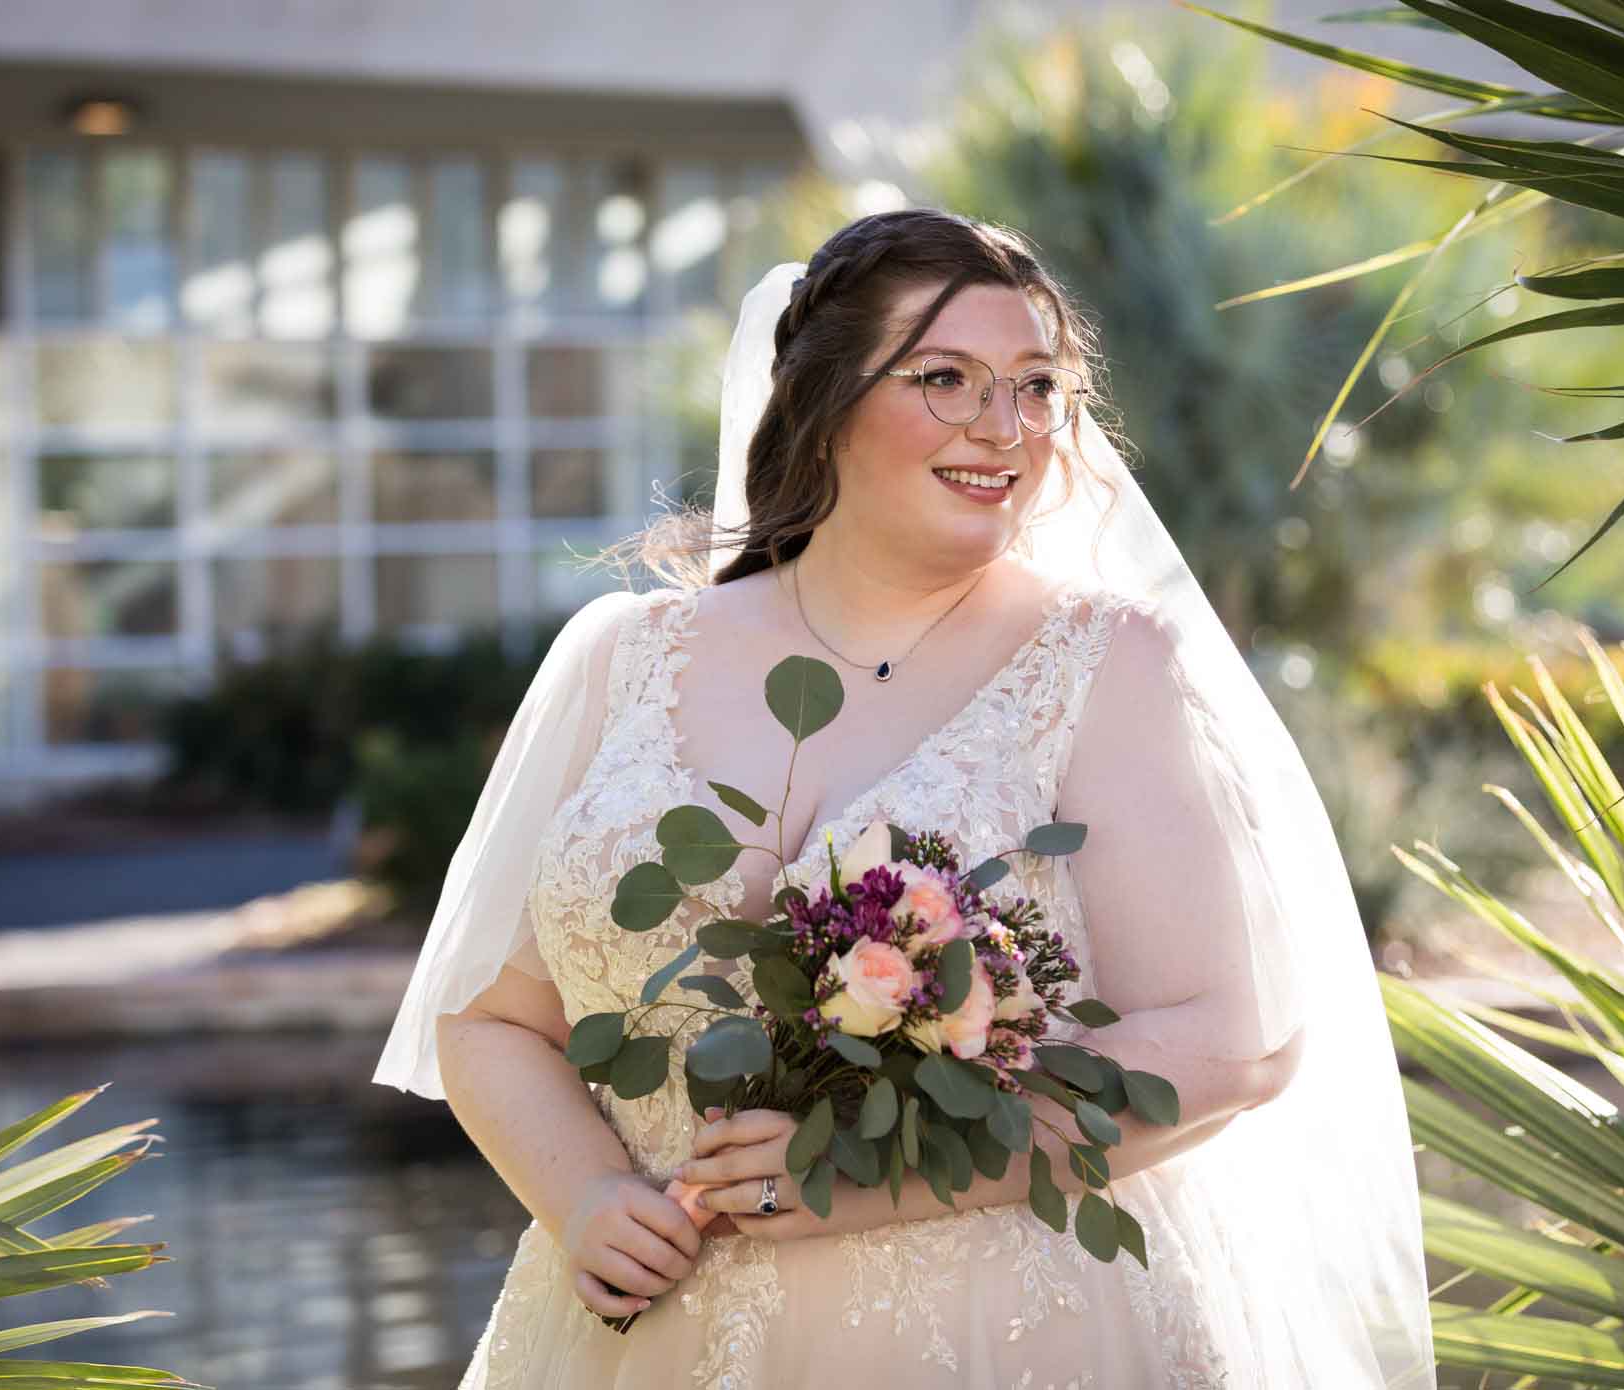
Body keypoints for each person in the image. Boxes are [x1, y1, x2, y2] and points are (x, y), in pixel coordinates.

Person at [374, 208, 1436, 1387]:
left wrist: (867, 1175)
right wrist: (582, 1198)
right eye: (946, 379)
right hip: (642, 1336)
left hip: (1004, 1335)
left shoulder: (1101, 663)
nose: (1004, 428)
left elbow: (1229, 1044)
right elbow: (491, 1018)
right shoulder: (625, 657)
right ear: (822, 399)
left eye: (1034, 387)